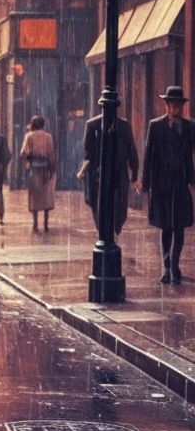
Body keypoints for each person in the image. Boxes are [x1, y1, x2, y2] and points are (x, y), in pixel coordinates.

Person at [138, 86, 195, 284]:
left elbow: (191, 156)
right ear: (167, 105)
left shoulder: (189, 127)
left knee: (179, 226)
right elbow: (149, 155)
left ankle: (175, 265)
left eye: (179, 105)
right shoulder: (156, 126)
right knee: (165, 226)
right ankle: (165, 266)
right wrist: (145, 182)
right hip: (161, 183)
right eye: (173, 105)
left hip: (180, 183)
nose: (176, 108)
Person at [76, 110, 139, 235]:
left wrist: (135, 174)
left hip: (115, 175)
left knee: (115, 209)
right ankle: (106, 233)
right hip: (100, 175)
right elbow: (87, 153)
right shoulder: (93, 125)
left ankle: (110, 231)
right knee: (100, 207)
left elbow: (131, 152)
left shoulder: (123, 126)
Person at [19, 115, 57, 232]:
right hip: (45, 168)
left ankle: (35, 223)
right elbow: (51, 154)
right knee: (46, 195)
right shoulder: (48, 137)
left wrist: (28, 161)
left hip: (34, 168)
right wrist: (52, 169)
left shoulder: (29, 136)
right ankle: (46, 223)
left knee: (34, 195)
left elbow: (23, 153)